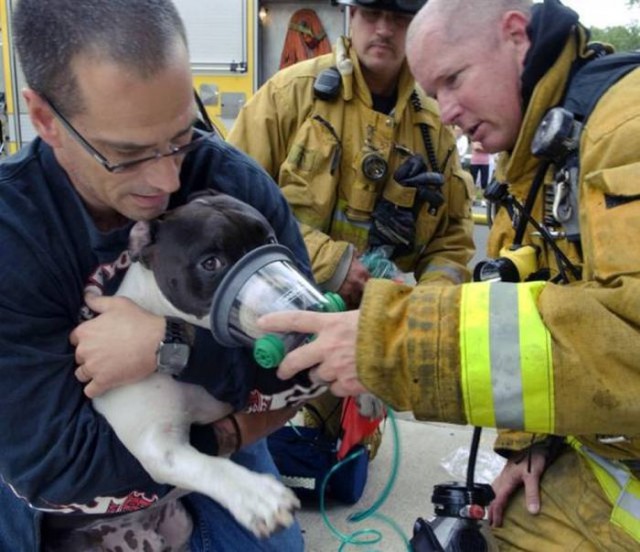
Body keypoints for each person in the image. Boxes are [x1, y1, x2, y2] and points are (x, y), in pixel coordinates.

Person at [258, 0, 640, 550]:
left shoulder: (621, 131)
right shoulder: (532, 156)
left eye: (455, 80)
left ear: (514, 35)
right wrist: (532, 442)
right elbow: (237, 208)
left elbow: (624, 334)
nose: (450, 114)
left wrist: (394, 340)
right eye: (437, 92)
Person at [0, 0, 308, 550]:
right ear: (45, 119)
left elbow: (305, 361)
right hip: (67, 501)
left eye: (181, 135)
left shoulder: (232, 187)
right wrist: (225, 430)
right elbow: (54, 466)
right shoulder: (14, 235)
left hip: (214, 444)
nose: (167, 180)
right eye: (128, 153)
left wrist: (174, 346)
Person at [228, 0, 474, 455]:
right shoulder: (291, 95)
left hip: (363, 337)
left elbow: (452, 242)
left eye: (399, 18)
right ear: (352, 16)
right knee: (251, 444)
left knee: (342, 461)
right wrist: (334, 261)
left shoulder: (434, 126)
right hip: (271, 322)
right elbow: (230, 205)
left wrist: (416, 309)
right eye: (372, 13)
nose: (383, 29)